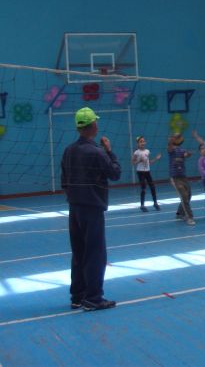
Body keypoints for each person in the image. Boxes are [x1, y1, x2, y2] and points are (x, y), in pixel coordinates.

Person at [61, 107, 121, 311]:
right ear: (93, 125)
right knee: (95, 253)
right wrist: (110, 151)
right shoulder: (97, 152)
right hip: (92, 208)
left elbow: (64, 180)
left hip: (74, 208)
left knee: (78, 252)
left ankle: (77, 296)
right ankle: (94, 298)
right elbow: (115, 173)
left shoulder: (69, 150)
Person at [168, 133, 196, 226]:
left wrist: (189, 154)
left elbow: (186, 154)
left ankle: (179, 213)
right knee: (184, 196)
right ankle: (189, 217)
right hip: (175, 177)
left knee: (189, 194)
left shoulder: (182, 150)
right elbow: (169, 146)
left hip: (183, 176)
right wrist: (172, 138)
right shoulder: (171, 150)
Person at [132, 136, 161, 212]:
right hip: (140, 172)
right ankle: (142, 205)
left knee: (152, 187)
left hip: (147, 172)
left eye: (143, 141)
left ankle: (155, 203)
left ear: (145, 142)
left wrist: (156, 159)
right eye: (140, 142)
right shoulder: (136, 152)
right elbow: (133, 162)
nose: (142, 143)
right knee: (143, 188)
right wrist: (139, 161)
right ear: (138, 144)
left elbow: (149, 162)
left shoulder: (147, 151)